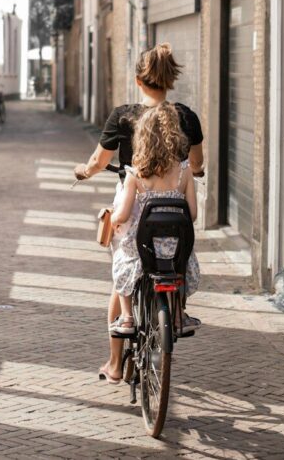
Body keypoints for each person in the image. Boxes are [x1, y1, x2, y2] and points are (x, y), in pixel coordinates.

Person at [73, 43, 204, 385]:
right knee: (172, 259)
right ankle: (176, 311)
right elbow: (198, 163)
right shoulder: (186, 117)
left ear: (138, 80)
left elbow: (98, 161)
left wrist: (84, 172)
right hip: (174, 203)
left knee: (124, 274)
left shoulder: (123, 116)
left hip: (134, 201)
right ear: (171, 80)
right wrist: (190, 172)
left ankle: (116, 363)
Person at [108, 102, 201, 339]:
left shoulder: (135, 174)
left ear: (142, 138)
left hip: (143, 246)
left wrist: (113, 219)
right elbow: (192, 214)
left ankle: (127, 317)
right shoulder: (184, 171)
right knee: (177, 269)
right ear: (176, 136)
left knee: (121, 258)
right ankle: (178, 315)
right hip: (176, 247)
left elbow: (123, 214)